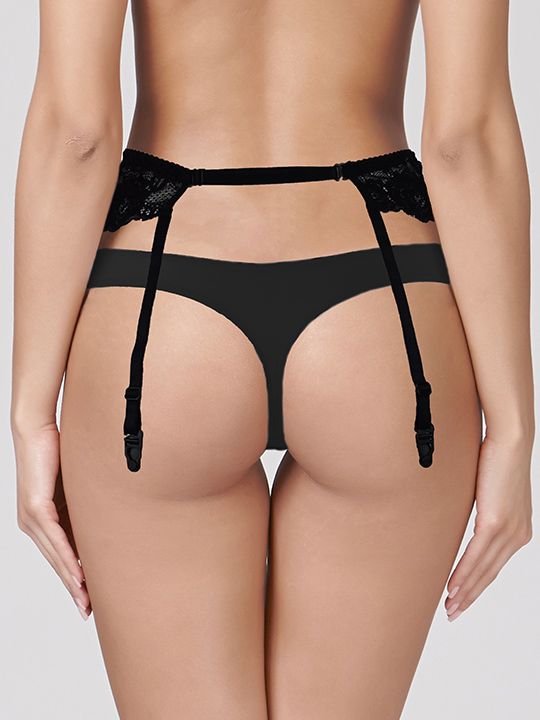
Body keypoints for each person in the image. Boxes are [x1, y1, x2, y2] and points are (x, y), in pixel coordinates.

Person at [10, 1, 534, 718]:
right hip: (380, 314)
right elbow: (464, 140)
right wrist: (512, 426)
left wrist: (31, 410)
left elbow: (77, 132)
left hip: (164, 316)